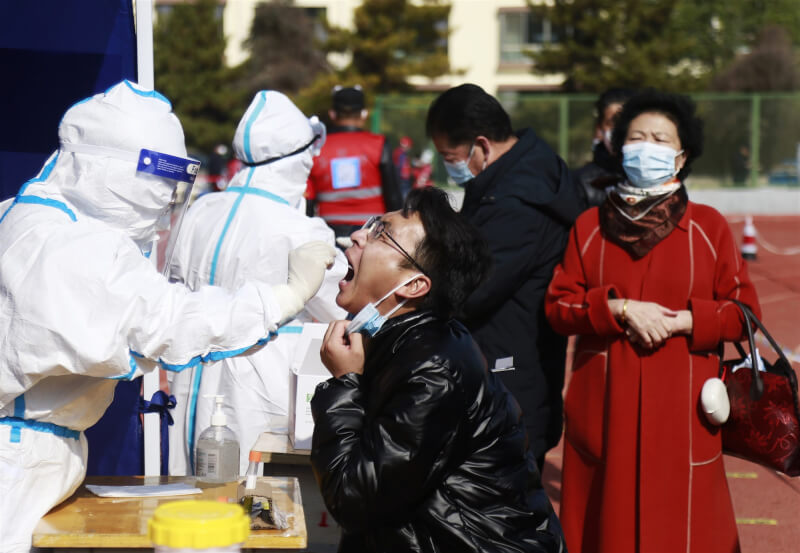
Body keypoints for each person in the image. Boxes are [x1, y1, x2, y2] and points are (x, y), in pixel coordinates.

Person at [0, 80, 335, 553]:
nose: (161, 211)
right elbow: (167, 318)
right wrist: (284, 296)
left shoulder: (35, 217)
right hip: (13, 466)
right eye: (157, 191)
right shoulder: (62, 246)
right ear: (115, 175)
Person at [545, 89, 761, 553]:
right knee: (602, 525)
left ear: (681, 157)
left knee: (686, 526)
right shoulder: (588, 227)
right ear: (620, 148)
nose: (648, 147)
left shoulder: (709, 227)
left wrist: (685, 321)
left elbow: (743, 316)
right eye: (637, 137)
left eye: (661, 139)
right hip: (604, 404)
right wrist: (620, 309)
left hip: (683, 407)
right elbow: (560, 306)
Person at [310, 187, 566, 553]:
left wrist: (344, 384)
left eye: (380, 233)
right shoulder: (402, 340)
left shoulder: (433, 370)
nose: (357, 235)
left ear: (414, 285)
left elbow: (353, 499)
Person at [167, 90, 348, 476]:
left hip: (190, 378)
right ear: (297, 160)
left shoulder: (202, 210)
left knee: (190, 497)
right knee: (254, 502)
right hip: (257, 383)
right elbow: (342, 306)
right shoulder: (301, 229)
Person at [426, 83, 583, 470]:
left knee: (500, 505)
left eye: (451, 156)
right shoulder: (519, 176)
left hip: (508, 377)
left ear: (482, 145)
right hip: (508, 369)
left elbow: (471, 291)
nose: (450, 165)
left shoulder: (517, 203)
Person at [306, 85, 402, 237]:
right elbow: (394, 197)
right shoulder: (379, 144)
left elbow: (308, 204)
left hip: (329, 235)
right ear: (364, 114)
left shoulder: (316, 148)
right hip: (372, 234)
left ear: (332, 114)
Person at [572, 88, 635, 209]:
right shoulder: (580, 183)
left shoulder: (661, 176)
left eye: (628, 122)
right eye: (613, 123)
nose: (621, 130)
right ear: (599, 130)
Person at [392, 135, 414, 199]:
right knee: (404, 196)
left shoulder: (399, 152)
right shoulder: (401, 154)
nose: (409, 148)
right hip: (402, 179)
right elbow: (399, 167)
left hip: (402, 179)